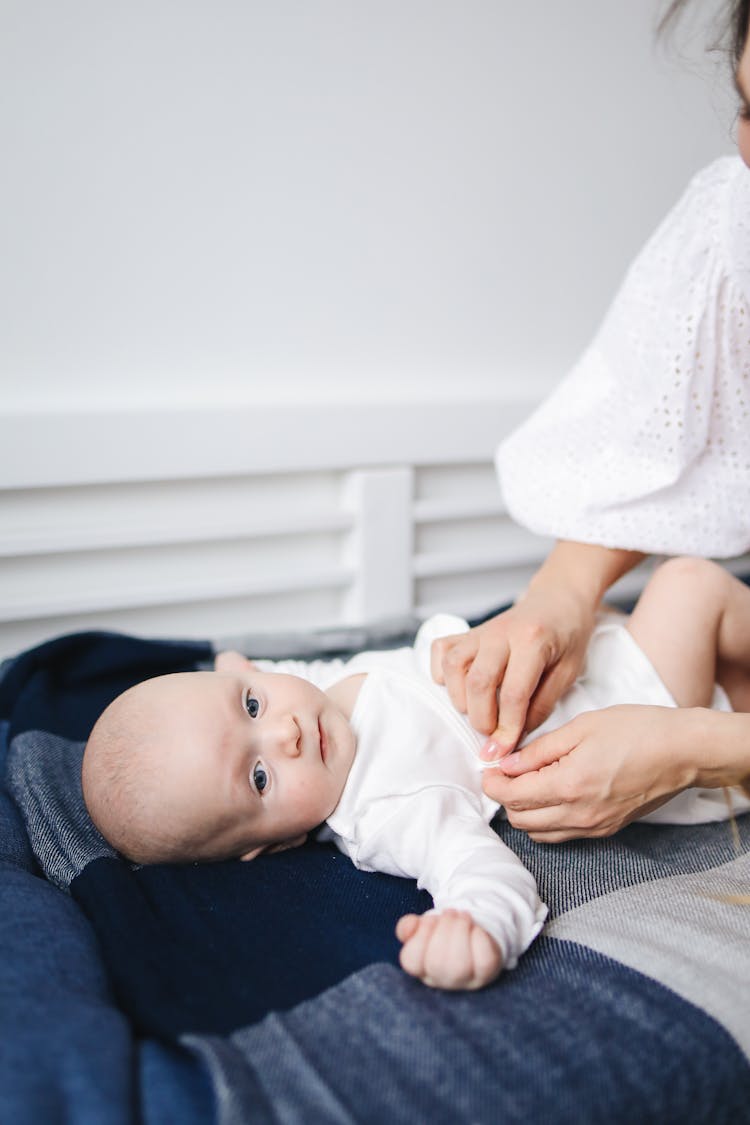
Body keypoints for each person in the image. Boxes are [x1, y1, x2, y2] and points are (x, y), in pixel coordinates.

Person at [82, 558, 750, 989]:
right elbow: (478, 872)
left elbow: (264, 681)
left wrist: (237, 672)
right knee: (689, 585)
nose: (281, 732)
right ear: (275, 844)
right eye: (259, 777)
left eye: (252, 707)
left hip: (605, 659)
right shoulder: (387, 808)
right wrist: (475, 926)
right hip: (635, 719)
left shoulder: (311, 698)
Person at [432, 0, 750, 842]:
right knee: (684, 587)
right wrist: (561, 594)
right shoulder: (732, 221)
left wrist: (696, 746)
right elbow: (665, 436)